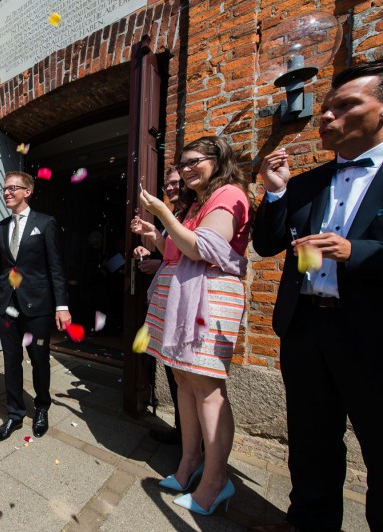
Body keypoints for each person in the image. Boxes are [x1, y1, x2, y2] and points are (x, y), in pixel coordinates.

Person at [252, 60, 383, 532]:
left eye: (345, 105)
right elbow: (266, 244)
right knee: (311, 443)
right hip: (307, 328)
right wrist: (274, 193)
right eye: (325, 108)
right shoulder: (307, 183)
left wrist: (356, 251)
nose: (326, 117)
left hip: (372, 333)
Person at [132, 136, 252, 516]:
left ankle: (217, 481)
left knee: (207, 387)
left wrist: (161, 214)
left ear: (218, 159)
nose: (185, 170)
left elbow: (205, 248)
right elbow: (175, 250)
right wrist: (158, 233)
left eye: (193, 162)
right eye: (182, 164)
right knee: (183, 381)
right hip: (178, 295)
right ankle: (188, 464)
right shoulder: (194, 204)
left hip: (208, 298)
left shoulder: (230, 193)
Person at [0, 171, 72, 442]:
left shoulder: (45, 223)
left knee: (39, 359)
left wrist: (62, 306)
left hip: (39, 306)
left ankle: (42, 407)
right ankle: (15, 414)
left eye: (13, 188)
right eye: (5, 188)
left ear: (27, 191)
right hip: (8, 305)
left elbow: (55, 267)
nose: (6, 192)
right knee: (11, 360)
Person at [132, 167, 185, 445]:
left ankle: (191, 438)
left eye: (177, 182)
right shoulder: (174, 216)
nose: (172, 187)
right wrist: (148, 247)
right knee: (172, 369)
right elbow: (169, 254)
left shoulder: (188, 215)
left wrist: (159, 257)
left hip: (185, 302)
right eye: (169, 183)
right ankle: (182, 431)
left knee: (184, 373)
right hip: (166, 300)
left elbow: (186, 255)